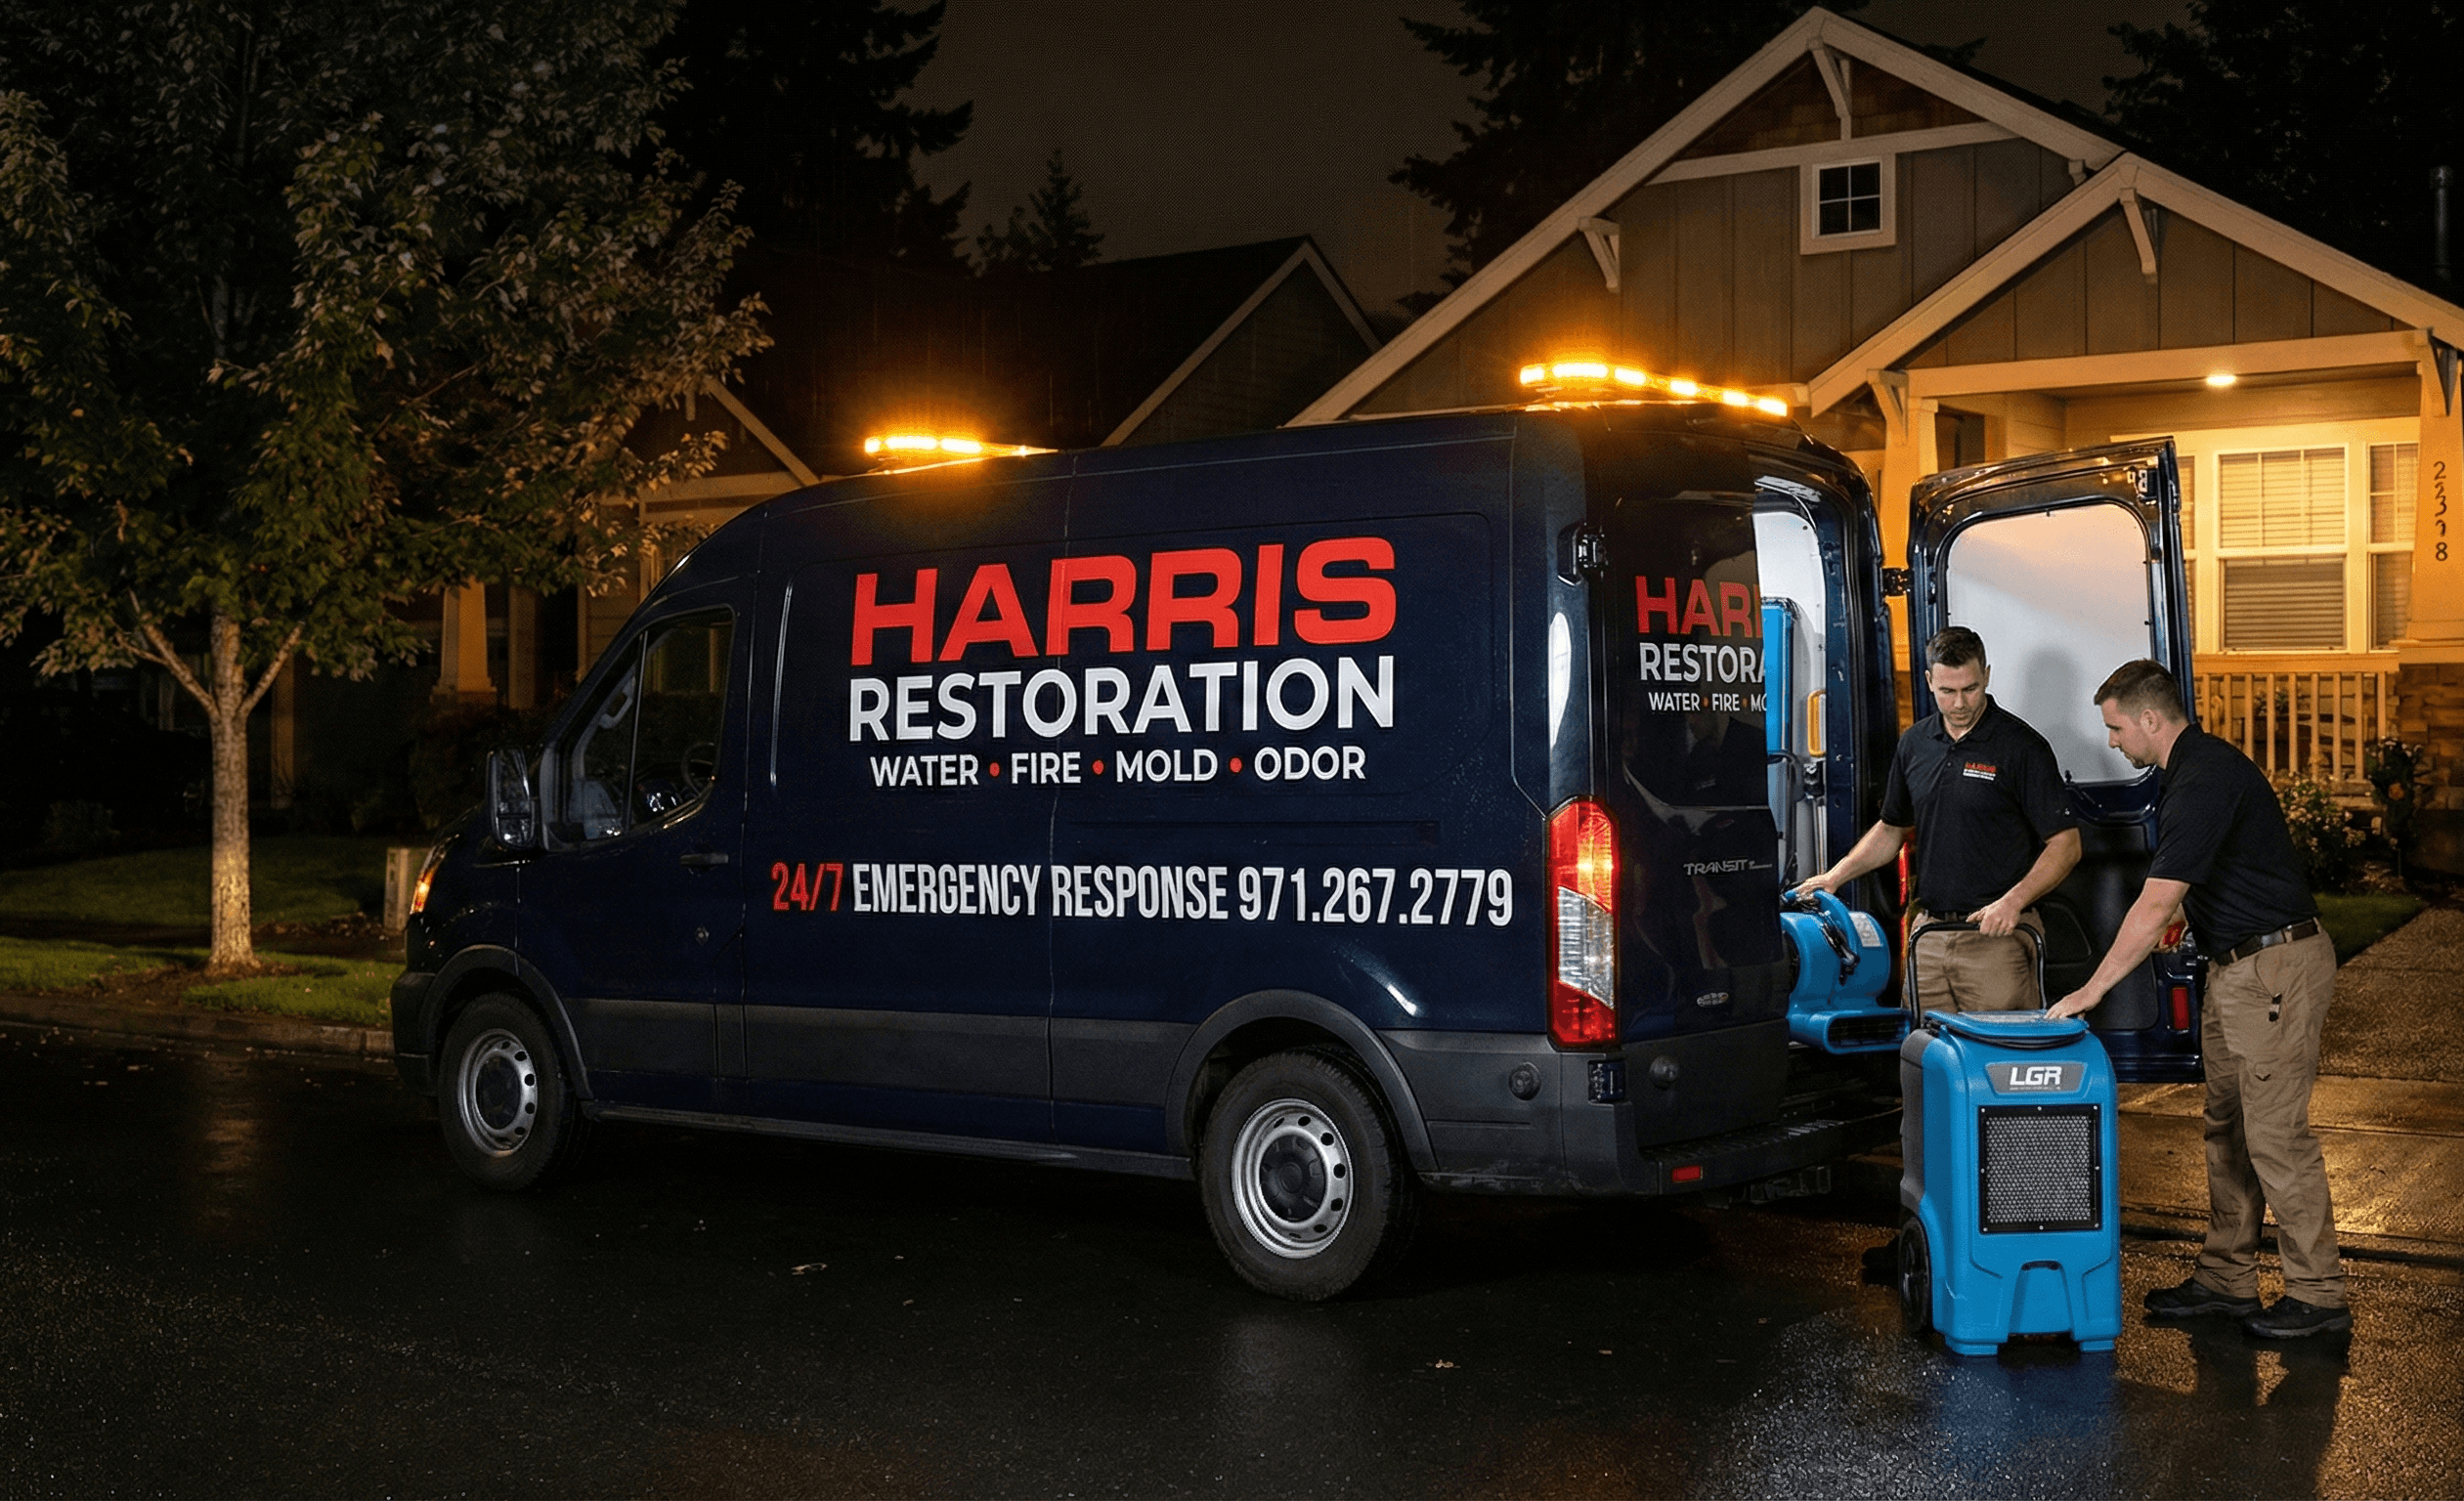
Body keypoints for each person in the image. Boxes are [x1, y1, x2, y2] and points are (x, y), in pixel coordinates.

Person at [2050, 660, 2348, 1339]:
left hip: (2273, 969)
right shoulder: (2187, 773)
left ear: (2150, 719)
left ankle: (2319, 1296)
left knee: (2274, 1136)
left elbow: (2155, 901)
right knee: (2228, 1131)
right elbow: (2213, 875)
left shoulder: (2201, 776)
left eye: (2116, 728)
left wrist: (2092, 990)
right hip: (2236, 966)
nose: (2113, 743)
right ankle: (2225, 1279)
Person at [1794, 626, 2080, 1011]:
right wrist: (1834, 876)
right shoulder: (1915, 743)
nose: (1960, 702)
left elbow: (2066, 844)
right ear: (1929, 681)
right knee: (1925, 1054)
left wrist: (2014, 902)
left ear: (1987, 676)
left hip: (1996, 937)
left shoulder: (2021, 747)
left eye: (1970, 689)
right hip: (1928, 936)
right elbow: (1891, 828)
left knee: (1999, 1057)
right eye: (1947, 691)